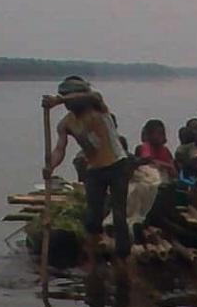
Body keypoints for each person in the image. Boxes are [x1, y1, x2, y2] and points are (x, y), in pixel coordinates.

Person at [43, 76, 131, 266]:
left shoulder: (98, 106)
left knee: (119, 213)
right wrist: (50, 166)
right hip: (95, 170)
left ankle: (122, 257)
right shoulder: (66, 123)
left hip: (117, 164)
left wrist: (58, 100)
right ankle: (94, 255)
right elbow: (60, 149)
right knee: (92, 217)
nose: (68, 103)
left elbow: (92, 95)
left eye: (69, 98)